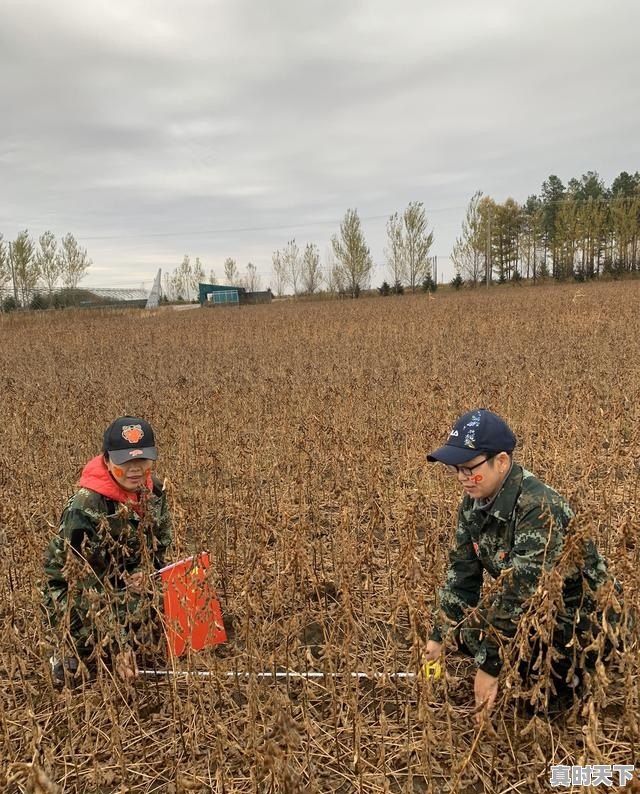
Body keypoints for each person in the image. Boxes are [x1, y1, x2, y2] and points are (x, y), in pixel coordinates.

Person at [422, 409, 621, 722]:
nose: (462, 478)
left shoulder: (539, 508)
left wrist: (489, 668)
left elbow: (521, 594)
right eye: (456, 470)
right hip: (533, 611)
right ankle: (522, 670)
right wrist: (438, 636)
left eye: (469, 469)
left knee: (539, 704)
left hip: (577, 619)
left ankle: (571, 682)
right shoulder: (472, 503)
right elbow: (461, 575)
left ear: (501, 462)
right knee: (461, 629)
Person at [43, 416, 172, 683]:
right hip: (76, 590)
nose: (135, 469)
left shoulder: (155, 491)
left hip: (124, 580)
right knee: (86, 657)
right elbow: (81, 583)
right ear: (106, 460)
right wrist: (118, 645)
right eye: (125, 461)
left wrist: (146, 570)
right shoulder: (84, 507)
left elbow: (161, 540)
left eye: (143, 460)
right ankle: (66, 649)